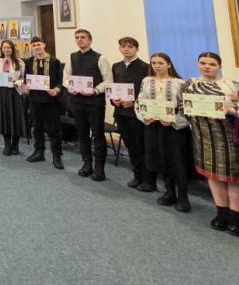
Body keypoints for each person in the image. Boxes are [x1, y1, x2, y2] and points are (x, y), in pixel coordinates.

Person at [183, 51, 239, 235]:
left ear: (219, 66)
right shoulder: (191, 84)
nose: (207, 67)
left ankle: (236, 216)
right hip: (203, 137)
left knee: (234, 178)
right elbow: (183, 108)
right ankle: (222, 212)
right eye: (203, 63)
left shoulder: (232, 85)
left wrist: (232, 109)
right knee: (213, 176)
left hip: (229, 137)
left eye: (212, 64)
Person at [135, 53, 191, 212]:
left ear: (169, 64)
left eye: (160, 63)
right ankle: (169, 192)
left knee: (177, 162)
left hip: (174, 128)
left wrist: (174, 120)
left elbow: (186, 107)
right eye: (154, 63)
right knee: (162, 159)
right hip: (154, 126)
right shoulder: (147, 81)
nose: (157, 66)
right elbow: (140, 102)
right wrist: (145, 116)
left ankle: (183, 196)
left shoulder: (179, 83)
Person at [64, 29, 112, 181]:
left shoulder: (100, 58)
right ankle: (87, 164)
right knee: (82, 134)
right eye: (77, 38)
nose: (80, 40)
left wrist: (95, 90)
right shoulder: (72, 57)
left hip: (94, 102)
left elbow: (108, 80)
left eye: (83, 37)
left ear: (90, 40)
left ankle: (99, 168)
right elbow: (66, 78)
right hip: (77, 102)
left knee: (97, 135)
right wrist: (70, 87)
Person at [110, 37, 150, 189]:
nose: (126, 49)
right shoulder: (116, 66)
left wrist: (134, 103)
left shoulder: (145, 67)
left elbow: (147, 92)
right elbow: (113, 87)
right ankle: (137, 175)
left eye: (130, 46)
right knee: (130, 145)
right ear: (119, 48)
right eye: (123, 46)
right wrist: (113, 100)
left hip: (137, 114)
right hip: (121, 112)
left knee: (141, 146)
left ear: (136, 49)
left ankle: (147, 179)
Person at [22, 36, 64, 168]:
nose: (37, 47)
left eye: (39, 44)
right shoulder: (29, 61)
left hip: (51, 100)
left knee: (54, 129)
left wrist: (56, 90)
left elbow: (61, 80)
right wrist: (25, 87)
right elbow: (26, 79)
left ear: (44, 45)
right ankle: (39, 152)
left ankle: (57, 156)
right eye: (34, 45)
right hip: (35, 99)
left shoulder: (55, 61)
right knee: (37, 128)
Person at [0, 39, 27, 155]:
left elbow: (24, 78)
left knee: (15, 119)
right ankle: (7, 145)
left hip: (14, 93)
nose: (6, 50)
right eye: (4, 48)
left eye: (8, 48)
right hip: (1, 93)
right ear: (1, 49)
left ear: (12, 49)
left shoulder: (19, 62)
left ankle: (15, 145)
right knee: (4, 119)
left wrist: (17, 82)